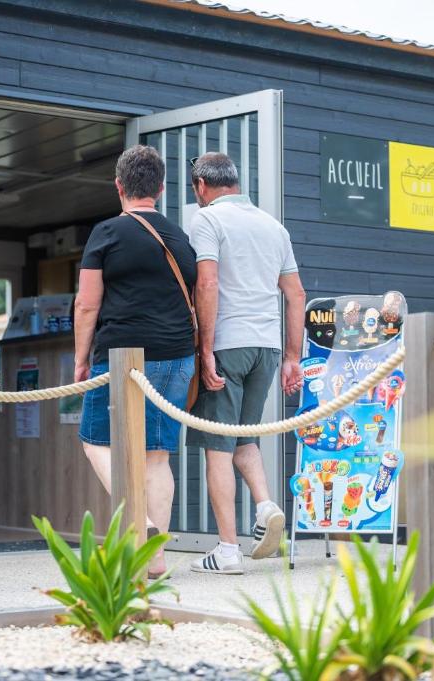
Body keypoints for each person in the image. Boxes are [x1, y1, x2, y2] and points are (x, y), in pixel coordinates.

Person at [74, 144, 198, 578]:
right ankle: (157, 559)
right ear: (161, 189)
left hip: (123, 356)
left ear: (118, 186)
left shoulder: (107, 233)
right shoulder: (179, 237)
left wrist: (79, 360)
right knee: (157, 457)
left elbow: (87, 306)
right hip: (179, 356)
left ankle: (141, 526)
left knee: (95, 441)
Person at [186, 152, 306, 575]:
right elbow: (296, 295)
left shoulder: (206, 221)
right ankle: (266, 506)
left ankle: (228, 551)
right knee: (245, 438)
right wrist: (293, 356)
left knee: (217, 449)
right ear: (235, 182)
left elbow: (208, 281)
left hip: (228, 344)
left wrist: (205, 349)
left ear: (201, 185)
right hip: (267, 348)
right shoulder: (274, 227)